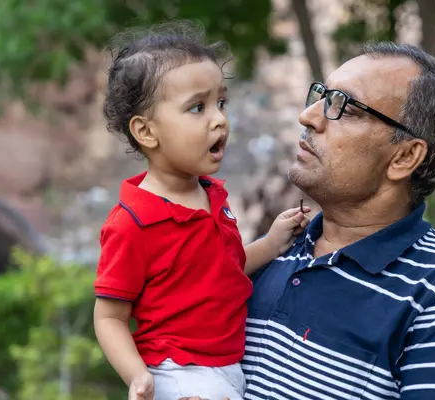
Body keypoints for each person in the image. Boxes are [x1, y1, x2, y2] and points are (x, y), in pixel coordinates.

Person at [240, 42, 435, 399]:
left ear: (404, 157)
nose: (309, 116)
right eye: (321, 94)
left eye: (344, 107)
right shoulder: (276, 246)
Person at [92, 21, 309, 400]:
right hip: (180, 375)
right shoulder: (133, 222)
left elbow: (224, 271)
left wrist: (272, 243)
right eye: (197, 107)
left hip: (229, 369)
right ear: (146, 132)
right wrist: (137, 375)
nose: (219, 119)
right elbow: (109, 316)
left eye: (221, 103)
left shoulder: (213, 198)